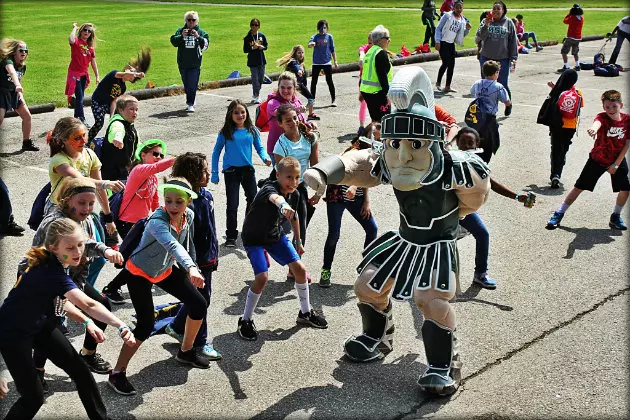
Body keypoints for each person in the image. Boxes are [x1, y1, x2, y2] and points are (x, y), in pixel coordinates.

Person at [303, 67, 491, 396]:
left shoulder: (457, 166)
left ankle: (445, 363)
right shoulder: (389, 158)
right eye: (395, 143)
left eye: (415, 144)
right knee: (367, 285)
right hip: (405, 240)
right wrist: (324, 171)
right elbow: (359, 162)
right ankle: (377, 337)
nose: (403, 155)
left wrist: (455, 215)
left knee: (430, 300)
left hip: (437, 244)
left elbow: (474, 199)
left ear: (434, 141)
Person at [0, 218, 135, 419]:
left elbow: (61, 301)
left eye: (80, 245)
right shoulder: (49, 270)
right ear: (54, 247)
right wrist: (120, 324)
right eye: (70, 248)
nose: (77, 252)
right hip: (13, 334)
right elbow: (88, 304)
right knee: (33, 398)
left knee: (80, 372)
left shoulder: (54, 262)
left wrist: (87, 322)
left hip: (39, 322)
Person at [108, 177, 210, 396]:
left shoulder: (188, 216)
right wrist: (190, 267)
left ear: (188, 202)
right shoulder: (157, 221)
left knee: (199, 303)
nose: (172, 206)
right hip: (139, 273)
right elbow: (172, 245)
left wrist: (194, 268)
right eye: (168, 201)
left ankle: (186, 351)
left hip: (163, 269)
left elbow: (186, 244)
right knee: (145, 325)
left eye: (178, 202)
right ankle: (117, 373)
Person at [21, 179, 124, 387]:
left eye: (91, 203)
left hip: (72, 278)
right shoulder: (55, 223)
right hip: (46, 281)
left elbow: (85, 242)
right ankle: (37, 370)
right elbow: (41, 259)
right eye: (82, 203)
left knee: (102, 306)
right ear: (68, 201)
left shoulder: (83, 218)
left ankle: (87, 354)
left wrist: (105, 250)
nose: (87, 209)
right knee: (52, 326)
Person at [238, 156, 328, 341]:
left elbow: (294, 217)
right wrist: (283, 205)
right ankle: (245, 320)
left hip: (274, 236)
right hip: (253, 238)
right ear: (278, 175)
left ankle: (305, 313)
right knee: (262, 277)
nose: (293, 182)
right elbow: (276, 199)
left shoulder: (294, 194)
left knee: (300, 270)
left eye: (296, 178)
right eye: (288, 177)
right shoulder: (268, 189)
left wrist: (298, 240)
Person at [452, 127, 535, 289]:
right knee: (437, 241)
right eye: (463, 143)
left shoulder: (477, 164)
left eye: (471, 143)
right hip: (445, 210)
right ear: (457, 144)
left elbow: (491, 183)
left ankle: (480, 274)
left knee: (483, 234)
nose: (466, 147)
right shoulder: (451, 160)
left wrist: (517, 196)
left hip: (465, 210)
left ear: (477, 146)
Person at [102, 139, 174, 304]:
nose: (158, 157)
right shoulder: (138, 170)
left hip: (141, 223)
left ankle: (115, 287)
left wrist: (162, 218)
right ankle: (111, 288)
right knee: (137, 258)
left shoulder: (153, 179)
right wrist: (177, 160)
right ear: (143, 155)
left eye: (161, 155)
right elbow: (157, 167)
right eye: (154, 154)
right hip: (126, 222)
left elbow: (155, 202)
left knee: (137, 257)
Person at [164, 152, 221, 360]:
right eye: (203, 171)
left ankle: (177, 326)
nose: (208, 173)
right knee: (202, 300)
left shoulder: (207, 196)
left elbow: (211, 228)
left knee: (199, 298)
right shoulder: (185, 203)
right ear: (192, 174)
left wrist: (215, 252)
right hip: (194, 261)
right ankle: (200, 342)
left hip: (209, 255)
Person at [547, 90, 629, 231]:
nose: (611, 110)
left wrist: (616, 164)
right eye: (607, 107)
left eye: (614, 106)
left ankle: (615, 216)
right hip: (598, 159)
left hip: (617, 160)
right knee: (579, 187)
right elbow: (596, 124)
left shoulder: (627, 120)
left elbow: (627, 143)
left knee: (626, 189)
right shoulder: (602, 117)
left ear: (621, 105)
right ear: (603, 107)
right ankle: (559, 213)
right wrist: (593, 129)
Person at [319, 123, 378, 288]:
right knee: (334, 234)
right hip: (338, 196)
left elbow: (369, 177)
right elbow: (350, 169)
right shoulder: (353, 150)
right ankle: (326, 271)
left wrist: (366, 200)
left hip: (357, 198)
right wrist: (353, 185)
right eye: (374, 131)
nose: (377, 134)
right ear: (365, 135)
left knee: (372, 229)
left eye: (380, 132)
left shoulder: (378, 153)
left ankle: (366, 269)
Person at [46, 117, 124, 237]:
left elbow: (99, 190)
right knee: (68, 249)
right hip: (60, 212)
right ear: (64, 140)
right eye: (77, 138)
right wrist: (106, 183)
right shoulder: (59, 160)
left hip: (82, 209)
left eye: (84, 135)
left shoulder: (89, 155)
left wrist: (108, 217)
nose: (83, 141)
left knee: (94, 247)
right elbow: (79, 179)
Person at [212, 99, 271, 247]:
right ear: (230, 115)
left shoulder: (252, 130)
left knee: (253, 200)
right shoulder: (226, 132)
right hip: (231, 171)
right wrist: (214, 173)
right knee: (233, 204)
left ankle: (248, 230)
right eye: (236, 113)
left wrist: (265, 157)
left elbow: (260, 147)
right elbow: (216, 152)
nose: (240, 115)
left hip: (248, 170)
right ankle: (231, 236)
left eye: (243, 112)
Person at [273, 104, 321, 283]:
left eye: (294, 118)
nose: (293, 122)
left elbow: (315, 167)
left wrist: (318, 192)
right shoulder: (280, 146)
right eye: (287, 121)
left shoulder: (309, 138)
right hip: (285, 187)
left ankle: (294, 267)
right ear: (281, 125)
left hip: (301, 186)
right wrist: (288, 194)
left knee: (302, 225)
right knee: (287, 226)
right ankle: (288, 260)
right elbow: (282, 175)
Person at [87, 49, 149, 141]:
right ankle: (88, 140)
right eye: (131, 71)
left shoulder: (123, 88)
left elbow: (114, 101)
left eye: (133, 74)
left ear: (131, 80)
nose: (132, 73)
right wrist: (137, 74)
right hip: (97, 102)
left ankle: (114, 138)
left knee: (119, 117)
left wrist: (112, 117)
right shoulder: (114, 74)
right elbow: (122, 74)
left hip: (107, 105)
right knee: (99, 123)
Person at [539, 69, 583, 188]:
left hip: (557, 126)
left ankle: (555, 174)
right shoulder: (578, 93)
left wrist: (554, 88)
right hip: (571, 127)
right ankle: (560, 166)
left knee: (556, 148)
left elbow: (553, 103)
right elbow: (580, 107)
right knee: (564, 148)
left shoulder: (558, 91)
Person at [475, 1, 518, 116]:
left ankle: (508, 104)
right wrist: (486, 25)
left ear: (503, 10)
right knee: (486, 84)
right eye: (494, 8)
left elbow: (513, 41)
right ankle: (487, 109)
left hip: (502, 58)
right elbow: (480, 37)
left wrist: (513, 58)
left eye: (498, 8)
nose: (495, 11)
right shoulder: (486, 21)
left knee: (502, 84)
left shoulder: (508, 23)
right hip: (486, 58)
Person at [470, 60, 511, 163]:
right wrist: (508, 106)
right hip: (489, 118)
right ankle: (484, 163)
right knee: (489, 143)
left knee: (477, 140)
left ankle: (475, 160)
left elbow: (472, 93)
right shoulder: (498, 87)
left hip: (477, 116)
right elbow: (506, 101)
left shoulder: (477, 83)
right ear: (496, 73)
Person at [0, 38, 37, 151]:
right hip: (2, 92)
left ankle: (26, 142)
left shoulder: (22, 66)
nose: (24, 53)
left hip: (14, 93)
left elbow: (19, 79)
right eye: (21, 50)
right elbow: (12, 73)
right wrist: (17, 85)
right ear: (14, 52)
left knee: (27, 116)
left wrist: (20, 95)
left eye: (26, 50)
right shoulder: (8, 61)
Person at [170, 10, 209, 112]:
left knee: (192, 83)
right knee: (187, 84)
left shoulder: (201, 32)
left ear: (197, 21)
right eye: (189, 20)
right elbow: (173, 42)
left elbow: (205, 46)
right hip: (183, 63)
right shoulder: (180, 30)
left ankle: (190, 104)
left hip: (195, 64)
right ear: (186, 21)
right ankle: (191, 97)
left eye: (193, 20)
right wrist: (181, 36)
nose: (191, 22)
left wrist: (198, 37)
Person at [265, 71, 312, 156]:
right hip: (278, 149)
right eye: (282, 87)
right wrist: (296, 110)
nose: (285, 91)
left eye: (289, 88)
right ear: (278, 87)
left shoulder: (297, 101)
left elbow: (302, 121)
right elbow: (282, 113)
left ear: (294, 88)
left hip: (296, 146)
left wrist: (310, 125)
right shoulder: (273, 103)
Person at [66, 22, 100, 128]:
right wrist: (74, 28)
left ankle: (77, 116)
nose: (87, 32)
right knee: (80, 97)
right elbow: (71, 39)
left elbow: (93, 62)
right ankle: (81, 118)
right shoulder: (76, 42)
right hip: (74, 73)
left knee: (80, 96)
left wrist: (97, 76)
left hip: (84, 74)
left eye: (89, 31)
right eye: (85, 30)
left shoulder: (90, 48)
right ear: (81, 31)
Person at [99, 94, 139, 182]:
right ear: (120, 110)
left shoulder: (130, 125)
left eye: (136, 109)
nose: (135, 112)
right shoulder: (117, 123)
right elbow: (117, 130)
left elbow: (137, 144)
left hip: (124, 169)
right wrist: (118, 138)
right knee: (117, 194)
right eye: (131, 109)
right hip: (113, 172)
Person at [435, 0, 471, 93]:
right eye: (457, 7)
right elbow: (438, 28)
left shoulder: (462, 20)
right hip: (443, 42)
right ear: (453, 7)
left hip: (451, 44)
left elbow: (462, 34)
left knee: (451, 65)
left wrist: (467, 29)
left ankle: (448, 86)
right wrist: (437, 41)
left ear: (462, 9)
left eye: (460, 7)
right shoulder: (447, 16)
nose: (459, 9)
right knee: (445, 63)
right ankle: (438, 83)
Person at [360, 25, 392, 123]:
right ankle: (381, 138)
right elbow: (382, 76)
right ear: (380, 40)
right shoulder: (380, 53)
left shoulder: (370, 52)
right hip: (377, 93)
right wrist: (388, 94)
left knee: (375, 120)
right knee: (384, 121)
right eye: (387, 38)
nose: (389, 41)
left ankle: (374, 137)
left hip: (367, 91)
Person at [277, 45, 317, 120]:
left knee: (293, 99)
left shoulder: (301, 64)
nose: (301, 54)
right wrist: (299, 71)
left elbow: (303, 78)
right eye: (299, 53)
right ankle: (309, 114)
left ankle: (295, 113)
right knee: (310, 98)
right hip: (295, 85)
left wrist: (305, 87)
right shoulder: (293, 62)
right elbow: (296, 67)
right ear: (295, 53)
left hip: (298, 85)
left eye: (302, 52)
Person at [308, 19, 338, 107]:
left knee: (329, 81)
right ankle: (311, 100)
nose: (323, 30)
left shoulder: (329, 37)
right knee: (314, 82)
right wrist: (311, 44)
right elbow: (309, 44)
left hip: (327, 62)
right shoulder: (315, 37)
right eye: (321, 28)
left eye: (324, 28)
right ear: (318, 28)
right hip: (316, 63)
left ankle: (333, 99)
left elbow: (333, 50)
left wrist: (335, 61)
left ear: (327, 28)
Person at [243, 18, 267, 104]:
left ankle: (257, 94)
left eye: (256, 25)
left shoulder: (261, 36)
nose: (254, 26)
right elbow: (245, 50)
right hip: (253, 61)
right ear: (250, 26)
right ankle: (256, 95)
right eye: (252, 25)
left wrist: (262, 47)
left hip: (261, 60)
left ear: (259, 26)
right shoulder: (248, 38)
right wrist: (253, 48)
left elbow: (266, 46)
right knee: (255, 79)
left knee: (260, 79)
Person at [558, 4, 584, 73]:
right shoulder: (582, 18)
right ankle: (577, 65)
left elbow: (565, 21)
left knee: (564, 52)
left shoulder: (572, 18)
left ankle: (566, 66)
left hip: (571, 37)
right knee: (575, 52)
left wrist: (569, 14)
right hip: (578, 38)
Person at [357, 32, 373, 132]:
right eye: (369, 43)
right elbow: (361, 50)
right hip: (363, 80)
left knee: (373, 104)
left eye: (372, 43)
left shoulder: (377, 51)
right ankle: (361, 126)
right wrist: (362, 56)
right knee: (363, 103)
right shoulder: (364, 48)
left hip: (373, 81)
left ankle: (373, 125)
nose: (370, 45)